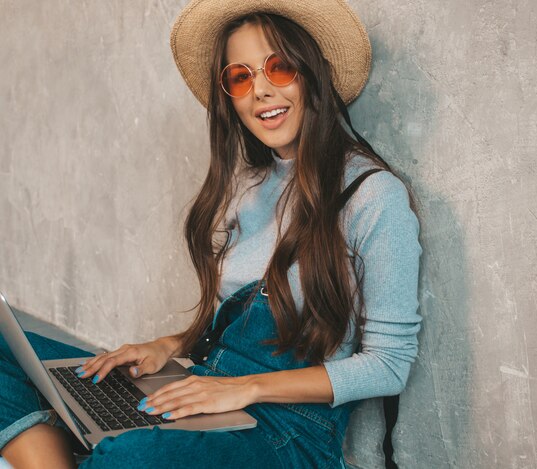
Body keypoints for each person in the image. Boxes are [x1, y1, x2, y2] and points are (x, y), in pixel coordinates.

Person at [0, 0, 422, 467]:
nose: (260, 91)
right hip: (206, 390)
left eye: (278, 68)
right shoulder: (249, 190)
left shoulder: (373, 195)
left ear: (312, 73)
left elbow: (389, 365)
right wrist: (167, 346)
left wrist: (245, 388)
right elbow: (233, 326)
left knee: (133, 458)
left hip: (290, 433)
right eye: (240, 77)